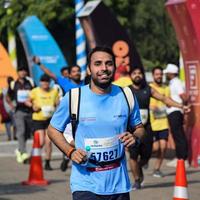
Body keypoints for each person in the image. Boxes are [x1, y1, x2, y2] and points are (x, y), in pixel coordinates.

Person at [47, 46, 145, 200]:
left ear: (114, 67)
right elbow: (53, 130)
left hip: (118, 185)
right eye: (98, 63)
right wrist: (70, 152)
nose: (104, 68)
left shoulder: (126, 95)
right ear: (89, 69)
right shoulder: (74, 97)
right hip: (85, 184)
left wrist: (136, 137)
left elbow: (139, 128)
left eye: (109, 63)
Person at [128, 67, 190, 189]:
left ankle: (140, 166)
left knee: (146, 156)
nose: (137, 75)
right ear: (131, 76)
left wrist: (180, 106)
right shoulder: (127, 91)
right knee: (133, 156)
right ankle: (136, 180)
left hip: (147, 129)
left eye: (139, 73)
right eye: (134, 73)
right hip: (132, 130)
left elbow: (164, 99)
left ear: (143, 75)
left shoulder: (148, 89)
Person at [25, 74, 60, 170]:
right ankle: (32, 156)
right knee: (40, 142)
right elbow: (27, 101)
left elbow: (57, 102)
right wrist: (32, 106)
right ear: (40, 82)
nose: (45, 83)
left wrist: (57, 105)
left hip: (50, 120)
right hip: (38, 119)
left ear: (49, 82)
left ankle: (47, 163)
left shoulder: (54, 91)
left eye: (47, 81)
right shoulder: (35, 91)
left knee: (48, 142)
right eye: (43, 81)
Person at [6, 67, 34, 163]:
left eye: (24, 70)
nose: (22, 72)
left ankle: (19, 149)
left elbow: (35, 93)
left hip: (30, 111)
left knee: (27, 133)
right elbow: (8, 96)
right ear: (18, 72)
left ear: (26, 72)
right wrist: (12, 105)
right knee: (20, 132)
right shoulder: (13, 84)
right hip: (19, 111)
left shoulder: (31, 83)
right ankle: (23, 153)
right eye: (20, 71)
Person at [164, 64, 189, 167]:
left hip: (176, 111)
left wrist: (184, 106)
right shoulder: (174, 82)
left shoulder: (176, 82)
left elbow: (183, 96)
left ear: (171, 73)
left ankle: (182, 159)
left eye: (167, 73)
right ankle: (180, 158)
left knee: (178, 135)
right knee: (177, 135)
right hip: (174, 111)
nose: (166, 74)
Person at [149, 66, 170, 177]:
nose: (159, 76)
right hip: (151, 124)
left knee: (163, 147)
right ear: (153, 75)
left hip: (163, 123)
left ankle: (157, 169)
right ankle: (144, 158)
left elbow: (168, 102)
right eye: (157, 74)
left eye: (161, 74)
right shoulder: (149, 88)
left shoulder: (166, 89)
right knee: (154, 148)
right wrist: (150, 107)